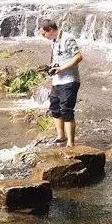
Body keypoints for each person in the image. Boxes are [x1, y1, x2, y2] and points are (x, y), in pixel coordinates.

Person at [39, 19, 83, 147]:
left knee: (67, 111)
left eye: (44, 34)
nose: (43, 37)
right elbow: (59, 58)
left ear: (51, 30)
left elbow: (79, 56)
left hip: (69, 80)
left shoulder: (67, 39)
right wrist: (51, 68)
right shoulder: (54, 40)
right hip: (57, 81)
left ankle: (70, 142)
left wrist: (62, 68)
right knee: (55, 109)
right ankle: (61, 136)